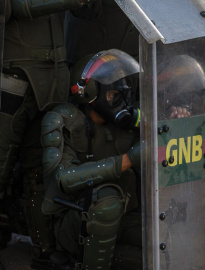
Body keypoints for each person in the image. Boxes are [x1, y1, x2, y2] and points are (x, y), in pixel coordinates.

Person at [0, 0, 94, 267]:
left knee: (41, 170)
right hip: (14, 73)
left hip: (53, 77)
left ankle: (43, 247)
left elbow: (88, 13)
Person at [40, 49, 142, 269]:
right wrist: (127, 160)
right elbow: (63, 177)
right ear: (90, 93)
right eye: (114, 94)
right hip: (74, 220)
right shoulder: (64, 120)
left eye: (125, 93)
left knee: (166, 239)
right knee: (107, 200)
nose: (122, 101)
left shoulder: (127, 121)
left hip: (122, 215)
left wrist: (175, 117)